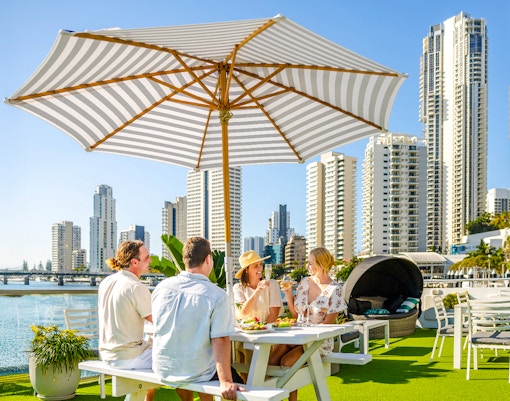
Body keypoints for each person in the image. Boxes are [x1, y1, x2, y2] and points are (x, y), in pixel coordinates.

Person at [152, 237, 244, 401]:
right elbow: (221, 339)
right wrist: (226, 381)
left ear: (184, 260)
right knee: (239, 381)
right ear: (208, 259)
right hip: (195, 371)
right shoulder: (217, 295)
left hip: (163, 368)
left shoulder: (161, 288)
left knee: (200, 360)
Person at [269, 247, 347, 401]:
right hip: (297, 336)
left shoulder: (335, 290)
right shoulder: (304, 282)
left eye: (310, 263)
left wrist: (305, 336)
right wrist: (289, 295)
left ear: (321, 265)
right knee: (271, 361)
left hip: (317, 342)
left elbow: (327, 326)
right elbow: (296, 314)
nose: (307, 267)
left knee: (287, 362)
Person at [98, 240, 155, 401]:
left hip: (107, 355)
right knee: (175, 358)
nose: (150, 260)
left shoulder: (106, 282)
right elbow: (159, 322)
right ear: (134, 262)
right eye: (147, 257)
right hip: (128, 357)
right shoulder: (135, 286)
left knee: (154, 349)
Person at [233, 250, 283, 323]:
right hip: (248, 330)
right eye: (256, 266)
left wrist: (261, 328)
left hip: (268, 330)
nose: (260, 268)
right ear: (247, 270)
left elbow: (274, 314)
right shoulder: (238, 288)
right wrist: (257, 291)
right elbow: (244, 311)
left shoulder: (272, 284)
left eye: (260, 264)